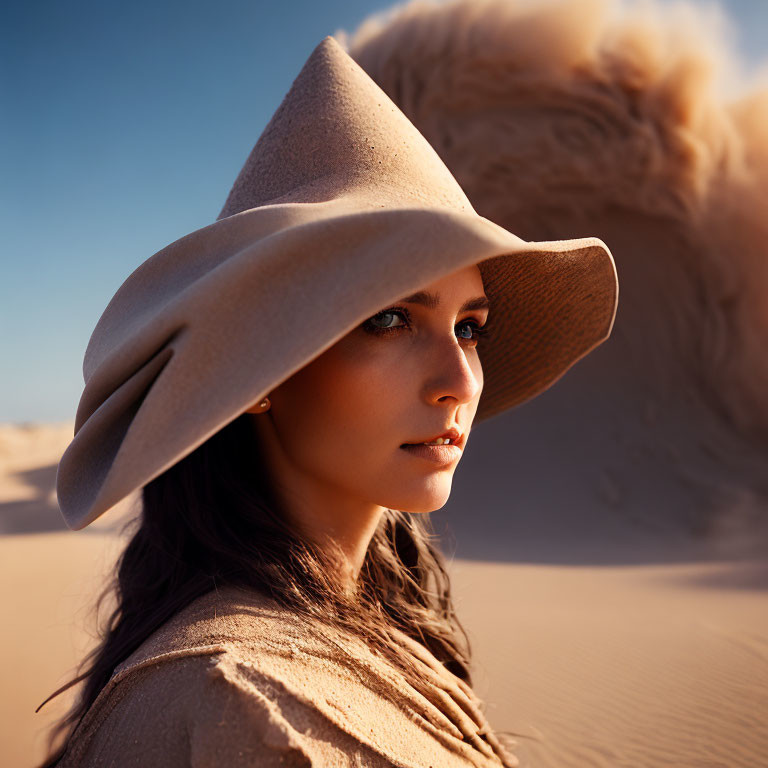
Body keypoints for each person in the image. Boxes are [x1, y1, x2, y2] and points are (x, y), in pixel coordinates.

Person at [37, 35, 618, 767]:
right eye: (389, 318)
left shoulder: (379, 628)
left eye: (470, 327)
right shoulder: (240, 702)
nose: (461, 380)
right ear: (260, 374)